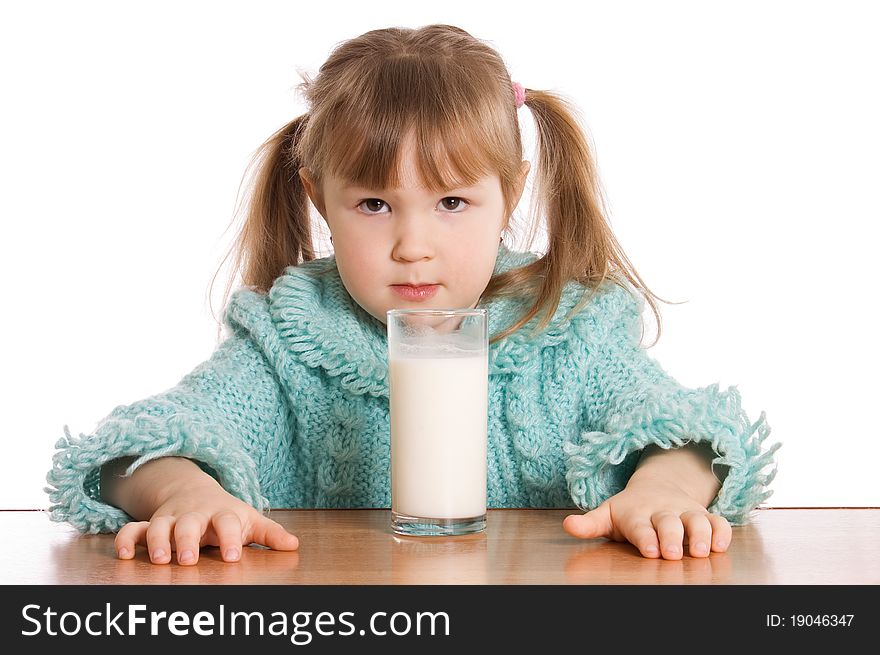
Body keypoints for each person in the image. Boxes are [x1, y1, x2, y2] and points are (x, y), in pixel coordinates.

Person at [46, 24, 779, 566]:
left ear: (510, 193)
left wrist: (668, 488)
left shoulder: (569, 328)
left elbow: (684, 429)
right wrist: (180, 493)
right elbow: (142, 443)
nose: (413, 244)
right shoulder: (289, 343)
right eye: (374, 204)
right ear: (320, 200)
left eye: (452, 203)